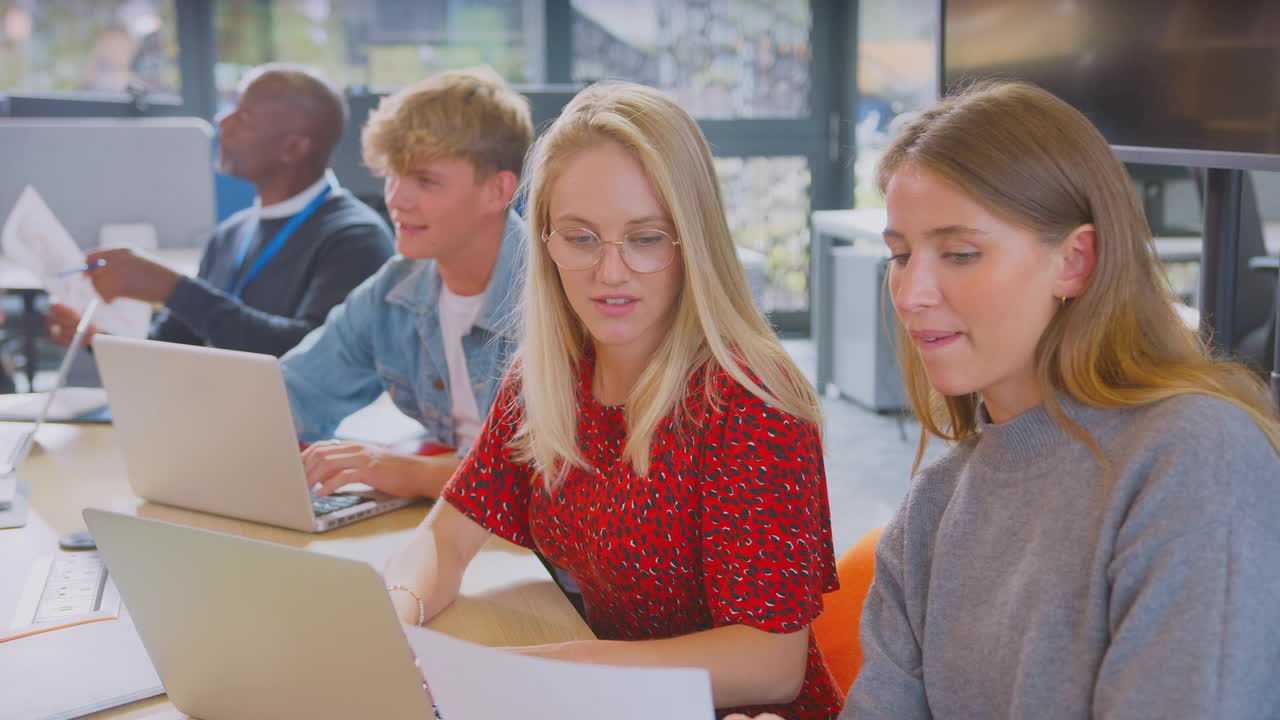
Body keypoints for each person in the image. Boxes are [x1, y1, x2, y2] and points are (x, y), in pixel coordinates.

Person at [732, 81, 1280, 720]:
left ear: (1074, 262)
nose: (910, 294)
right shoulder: (933, 508)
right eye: (901, 256)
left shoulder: (1194, 458)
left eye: (960, 253)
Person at [381, 81, 842, 720]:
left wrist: (568, 670)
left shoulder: (750, 403)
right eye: (581, 238)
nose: (611, 271)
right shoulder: (547, 377)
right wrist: (396, 612)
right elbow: (448, 537)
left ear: (693, 240)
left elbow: (772, 663)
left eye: (646, 238)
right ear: (544, 240)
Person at [282, 67, 532, 499]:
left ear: (497, 191)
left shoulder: (560, 296)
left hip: (540, 546)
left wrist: (409, 473)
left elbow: (556, 478)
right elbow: (295, 395)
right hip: (457, 522)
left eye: (425, 181)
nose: (396, 199)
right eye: (393, 175)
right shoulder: (396, 290)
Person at [45, 64, 393, 357]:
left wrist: (173, 289)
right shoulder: (232, 233)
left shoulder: (355, 238)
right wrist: (98, 340)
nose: (223, 125)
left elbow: (311, 355)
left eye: (244, 118)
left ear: (293, 147)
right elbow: (177, 348)